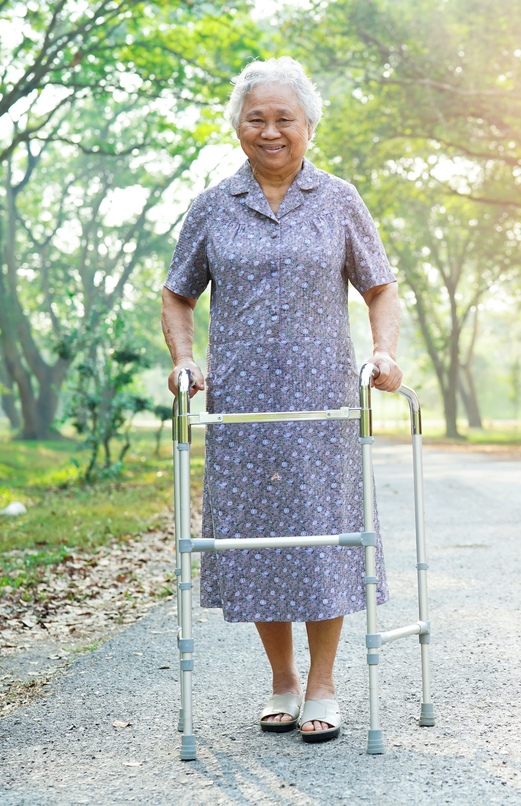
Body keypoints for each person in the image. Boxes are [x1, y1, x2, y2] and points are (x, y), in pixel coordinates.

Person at [160, 56, 403, 743]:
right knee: (262, 541)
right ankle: (282, 680)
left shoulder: (338, 199)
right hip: (243, 406)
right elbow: (177, 291)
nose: (270, 131)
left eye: (284, 119)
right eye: (256, 118)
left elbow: (379, 284)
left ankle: (324, 682)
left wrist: (383, 352)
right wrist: (184, 356)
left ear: (308, 126)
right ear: (238, 126)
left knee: (326, 536)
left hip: (324, 402)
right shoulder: (213, 205)